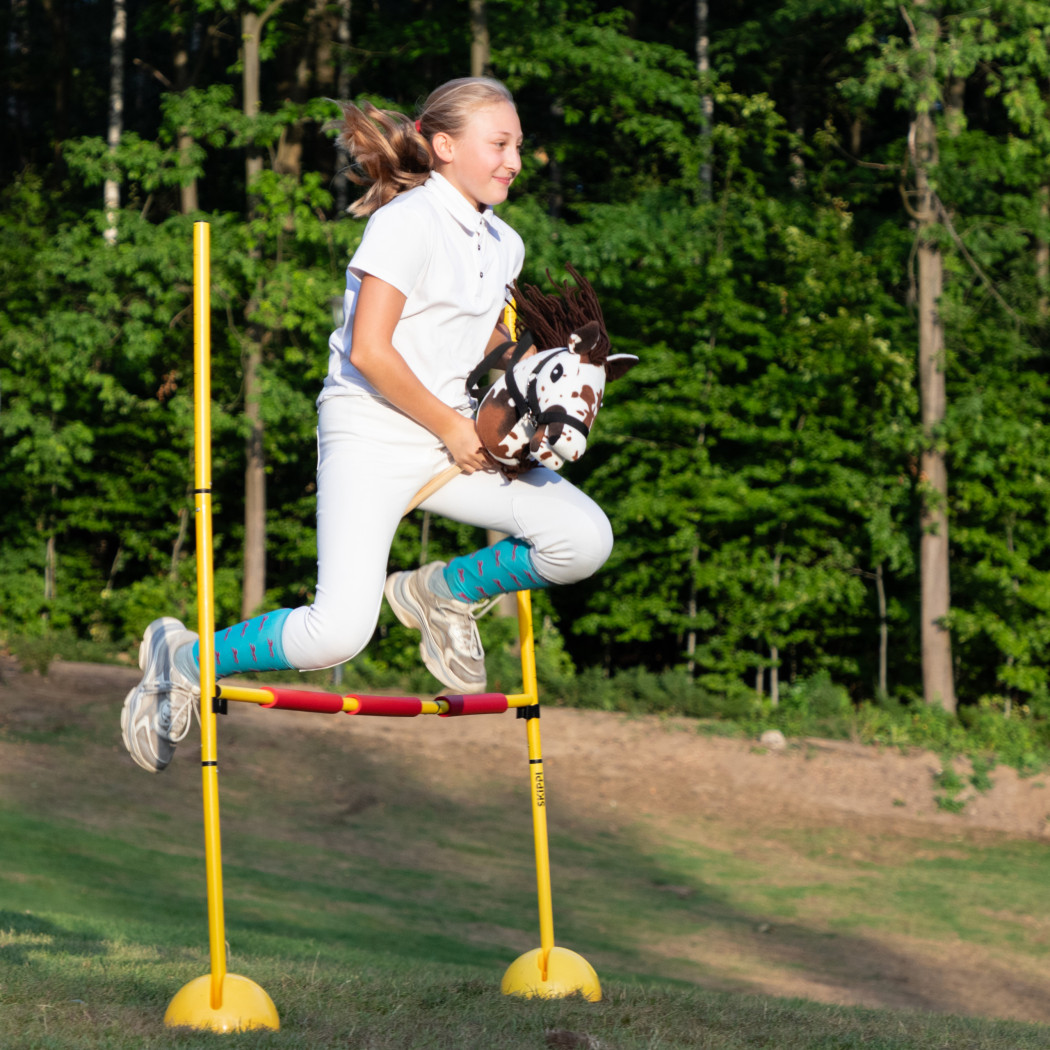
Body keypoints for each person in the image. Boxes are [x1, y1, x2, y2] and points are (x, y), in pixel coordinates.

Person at [121, 76, 614, 773]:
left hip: (451, 436)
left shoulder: (505, 241)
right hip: (373, 434)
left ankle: (440, 593)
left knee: (584, 539)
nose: (514, 161)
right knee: (336, 635)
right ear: (445, 146)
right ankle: (185, 659)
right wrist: (452, 428)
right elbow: (369, 352)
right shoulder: (406, 222)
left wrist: (544, 379)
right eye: (500, 144)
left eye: (519, 146)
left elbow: (482, 338)